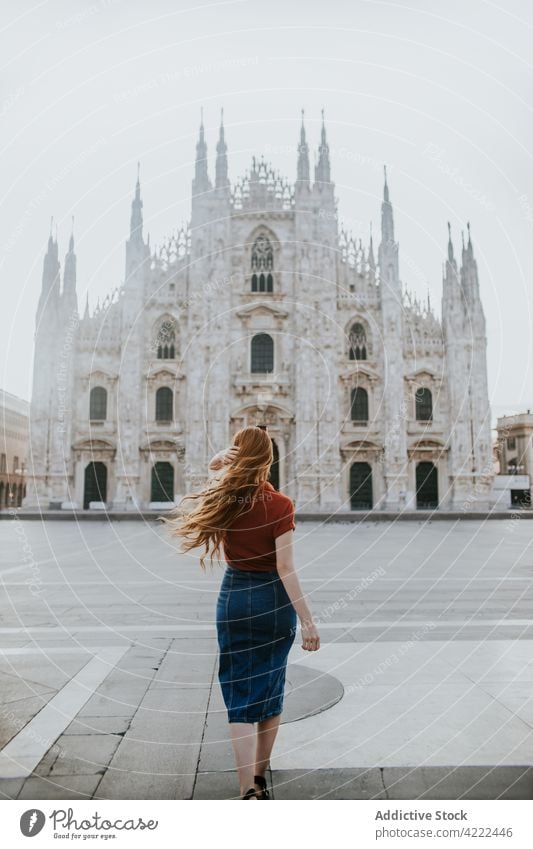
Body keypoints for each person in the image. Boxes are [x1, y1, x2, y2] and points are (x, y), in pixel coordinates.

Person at [162, 425, 320, 800]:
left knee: (238, 693)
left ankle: (245, 788)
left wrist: (217, 464)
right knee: (270, 688)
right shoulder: (281, 505)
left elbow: (210, 489)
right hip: (274, 603)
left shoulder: (225, 501)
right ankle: (262, 779)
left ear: (238, 457)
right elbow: (286, 568)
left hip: (233, 597)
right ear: (269, 460)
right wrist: (308, 621)